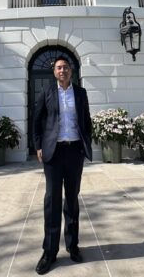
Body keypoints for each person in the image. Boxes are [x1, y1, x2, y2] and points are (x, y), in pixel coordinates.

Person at [32, 55, 92, 275]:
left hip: (74, 151)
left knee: (72, 199)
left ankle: (72, 245)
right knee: (52, 200)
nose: (62, 71)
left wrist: (86, 143)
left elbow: (87, 121)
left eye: (66, 67)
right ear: (54, 72)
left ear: (71, 71)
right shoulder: (47, 93)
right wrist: (38, 145)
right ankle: (49, 251)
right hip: (54, 153)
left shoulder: (81, 93)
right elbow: (37, 121)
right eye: (59, 68)